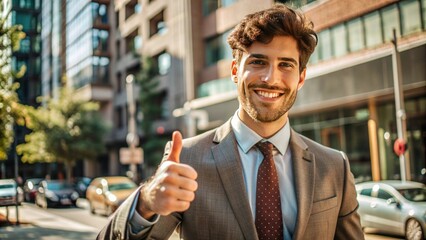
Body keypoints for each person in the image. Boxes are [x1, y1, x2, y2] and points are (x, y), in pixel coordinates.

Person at [98, 3, 364, 240]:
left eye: (286, 65)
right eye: (258, 62)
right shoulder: (188, 158)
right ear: (235, 71)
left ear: (301, 78)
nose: (271, 78)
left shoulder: (334, 167)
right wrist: (145, 203)